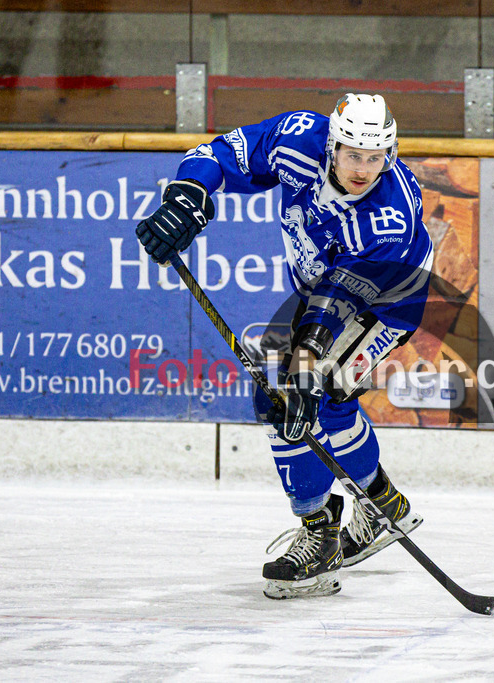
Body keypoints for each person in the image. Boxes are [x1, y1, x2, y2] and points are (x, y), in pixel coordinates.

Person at [136, 93, 432, 599]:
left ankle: (320, 535)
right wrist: (187, 198)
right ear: (333, 144)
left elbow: (340, 301)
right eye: (353, 154)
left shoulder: (390, 218)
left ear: (390, 152)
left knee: (288, 395)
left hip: (384, 302)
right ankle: (384, 504)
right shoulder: (300, 138)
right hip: (321, 290)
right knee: (318, 403)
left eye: (375, 157)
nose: (363, 169)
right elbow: (219, 155)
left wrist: (306, 363)